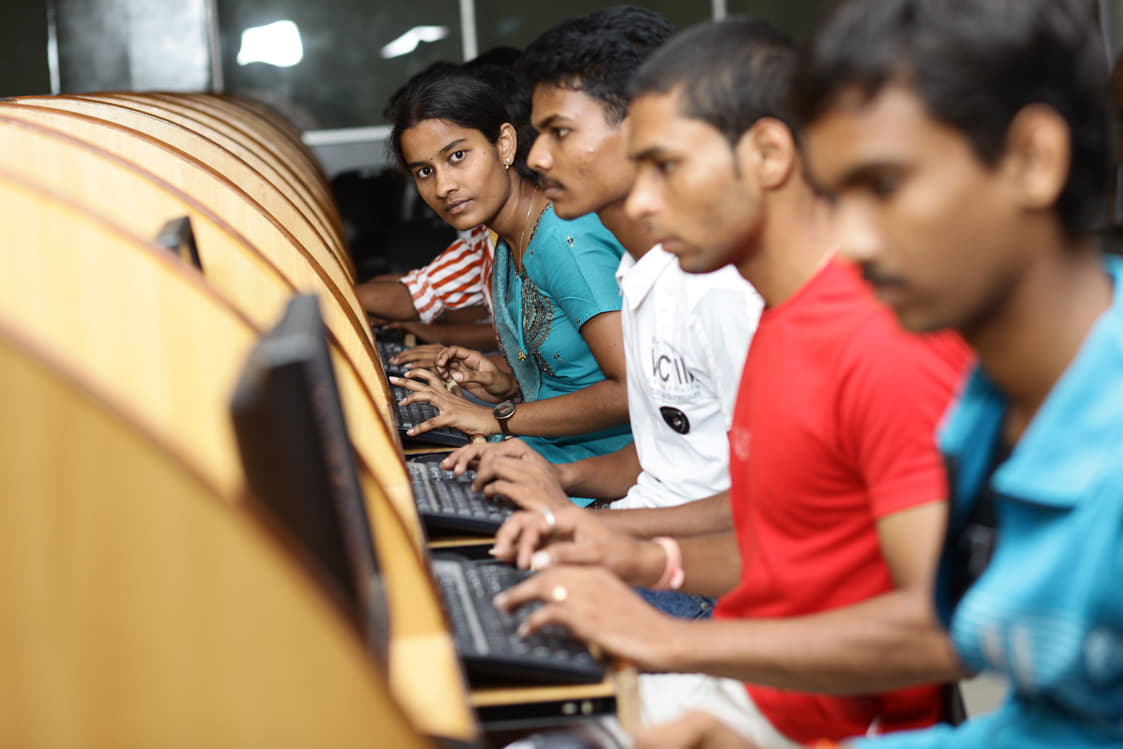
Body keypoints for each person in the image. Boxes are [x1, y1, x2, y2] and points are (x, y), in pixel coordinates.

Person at [486, 18, 973, 747]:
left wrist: (670, 639)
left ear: (769, 154)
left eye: (667, 168)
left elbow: (942, 629)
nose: (640, 206)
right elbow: (783, 548)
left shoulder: (874, 338)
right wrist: (641, 555)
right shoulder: (778, 316)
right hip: (750, 682)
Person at [705, 1, 1119, 747]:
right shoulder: (988, 408)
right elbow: (1044, 725)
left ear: (1033, 159)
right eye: (838, 196)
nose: (853, 242)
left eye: (886, 185)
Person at [442, 8, 761, 529]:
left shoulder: (719, 288)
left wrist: (584, 529)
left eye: (560, 132)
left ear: (645, 127)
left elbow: (763, 507)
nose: (537, 158)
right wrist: (556, 477)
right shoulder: (638, 270)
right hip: (642, 521)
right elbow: (670, 461)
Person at [384, 63, 633, 469]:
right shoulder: (507, 242)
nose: (444, 186)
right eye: (425, 172)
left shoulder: (562, 239)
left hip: (602, 467)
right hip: (546, 450)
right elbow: (570, 374)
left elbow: (630, 391)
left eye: (457, 156)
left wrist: (496, 417)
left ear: (504, 145)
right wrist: (505, 383)